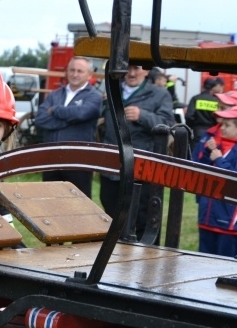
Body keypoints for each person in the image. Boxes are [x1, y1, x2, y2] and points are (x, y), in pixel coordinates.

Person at [99, 64, 174, 239]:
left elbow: (168, 124)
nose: (132, 73)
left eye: (137, 68)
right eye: (128, 69)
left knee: (141, 220)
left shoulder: (160, 94)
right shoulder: (112, 90)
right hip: (112, 169)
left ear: (147, 70)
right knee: (111, 218)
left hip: (141, 171)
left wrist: (143, 116)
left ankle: (143, 262)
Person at [33, 56, 103, 197]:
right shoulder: (55, 94)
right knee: (49, 202)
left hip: (77, 160)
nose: (75, 74)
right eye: (72, 70)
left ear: (89, 75)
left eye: (80, 71)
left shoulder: (94, 96)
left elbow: (82, 114)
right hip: (51, 158)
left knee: (79, 204)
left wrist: (56, 110)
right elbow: (40, 118)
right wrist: (70, 119)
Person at [192, 106, 237, 258]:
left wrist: (218, 160)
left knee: (224, 268)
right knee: (203, 263)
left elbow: (233, 179)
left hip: (229, 223)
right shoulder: (220, 145)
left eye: (227, 125)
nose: (221, 128)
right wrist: (207, 153)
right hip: (208, 217)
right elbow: (201, 172)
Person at [187, 77, 225, 141]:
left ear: (203, 86)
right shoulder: (216, 101)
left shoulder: (195, 98)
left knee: (196, 150)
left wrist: (191, 127)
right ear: (213, 88)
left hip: (197, 130)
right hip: (212, 132)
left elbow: (189, 116)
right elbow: (219, 117)